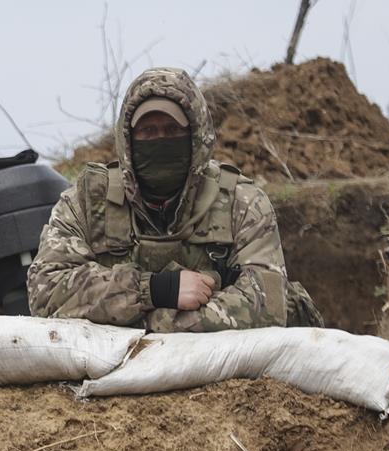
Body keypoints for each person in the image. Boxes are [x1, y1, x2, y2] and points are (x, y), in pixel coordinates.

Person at [28, 66, 311, 331]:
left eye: (173, 130)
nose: (161, 141)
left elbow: (266, 305)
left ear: (196, 137)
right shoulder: (88, 202)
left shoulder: (242, 202)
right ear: (128, 141)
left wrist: (153, 324)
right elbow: (45, 289)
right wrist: (155, 289)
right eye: (148, 132)